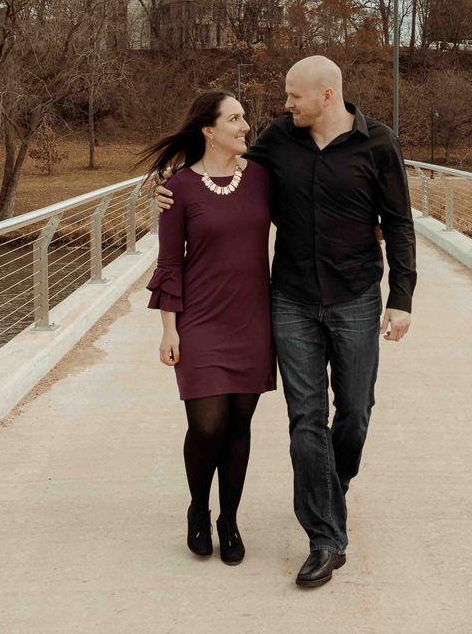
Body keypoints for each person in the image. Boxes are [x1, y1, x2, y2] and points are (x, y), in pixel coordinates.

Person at [157, 56, 416, 589]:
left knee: (356, 414)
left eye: (293, 96)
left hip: (357, 297)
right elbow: (219, 165)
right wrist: (169, 182)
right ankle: (324, 539)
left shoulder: (379, 144)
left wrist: (402, 297)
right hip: (292, 299)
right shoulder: (279, 139)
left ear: (326, 95)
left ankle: (329, 486)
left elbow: (399, 223)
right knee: (305, 420)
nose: (284, 105)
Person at [138, 90, 275, 566]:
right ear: (208, 130)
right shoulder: (178, 189)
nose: (245, 125)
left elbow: (308, 214)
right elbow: (169, 263)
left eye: (244, 117)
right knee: (207, 424)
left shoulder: (261, 177)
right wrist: (168, 329)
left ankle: (229, 521)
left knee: (240, 423)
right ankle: (199, 508)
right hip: (199, 321)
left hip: (253, 320)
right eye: (235, 118)